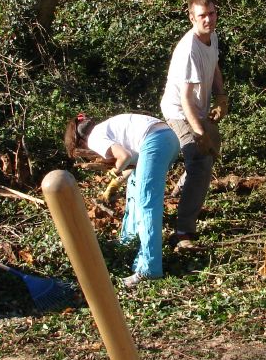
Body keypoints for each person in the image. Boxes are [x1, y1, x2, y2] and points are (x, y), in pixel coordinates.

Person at [64, 113, 179, 287]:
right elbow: (129, 164)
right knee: (134, 188)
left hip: (155, 141)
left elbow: (123, 157)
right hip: (166, 138)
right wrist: (114, 185)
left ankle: (149, 269)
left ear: (81, 142)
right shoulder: (107, 128)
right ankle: (128, 242)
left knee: (146, 203)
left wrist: (111, 174)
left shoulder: (95, 137)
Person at [160, 0, 228, 250]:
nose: (208, 20)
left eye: (211, 14)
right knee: (200, 160)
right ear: (191, 17)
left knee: (212, 146)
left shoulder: (212, 37)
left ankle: (183, 188)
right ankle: (183, 233)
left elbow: (215, 66)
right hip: (179, 111)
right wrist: (200, 134)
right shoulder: (188, 49)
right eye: (202, 16)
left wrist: (221, 96)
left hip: (198, 109)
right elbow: (186, 100)